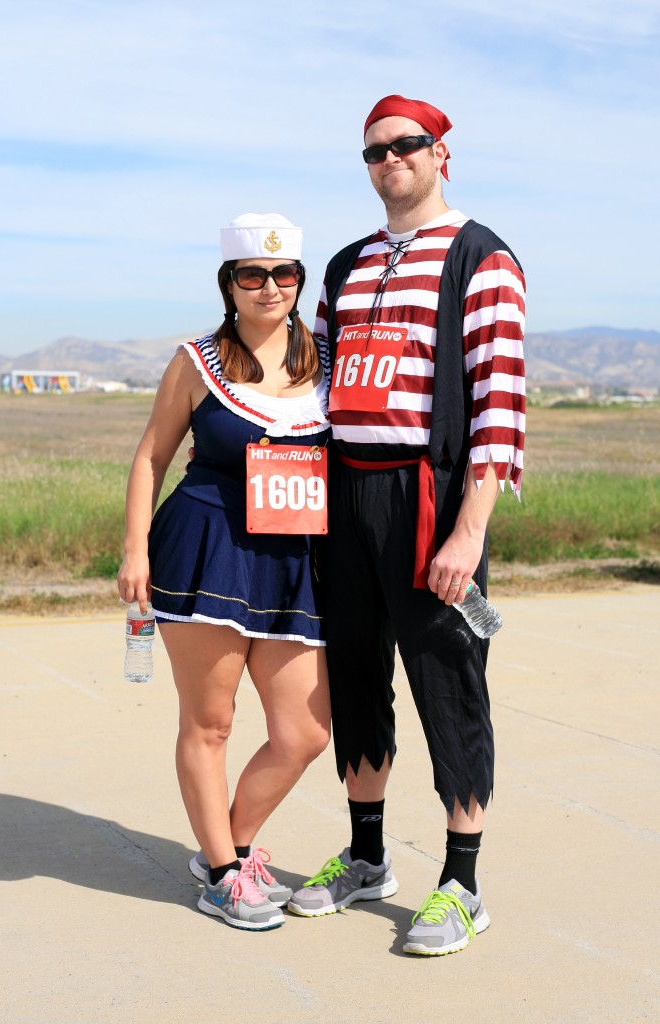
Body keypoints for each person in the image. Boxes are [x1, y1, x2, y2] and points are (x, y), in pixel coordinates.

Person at [287, 96, 526, 956]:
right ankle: (367, 857)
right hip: (344, 495)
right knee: (354, 675)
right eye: (375, 151)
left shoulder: (479, 257)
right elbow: (314, 383)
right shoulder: (348, 266)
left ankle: (462, 882)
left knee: (448, 679)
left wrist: (469, 532)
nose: (390, 159)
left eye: (407, 146)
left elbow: (498, 406)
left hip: (428, 499)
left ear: (440, 155)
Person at [117, 213, 332, 931]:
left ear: (300, 281)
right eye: (252, 274)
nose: (270, 287)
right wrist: (134, 550)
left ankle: (228, 849)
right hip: (205, 547)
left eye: (284, 274)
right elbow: (151, 455)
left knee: (304, 733)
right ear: (229, 284)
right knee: (211, 722)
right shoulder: (197, 361)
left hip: (296, 559)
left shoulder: (328, 362)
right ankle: (220, 874)